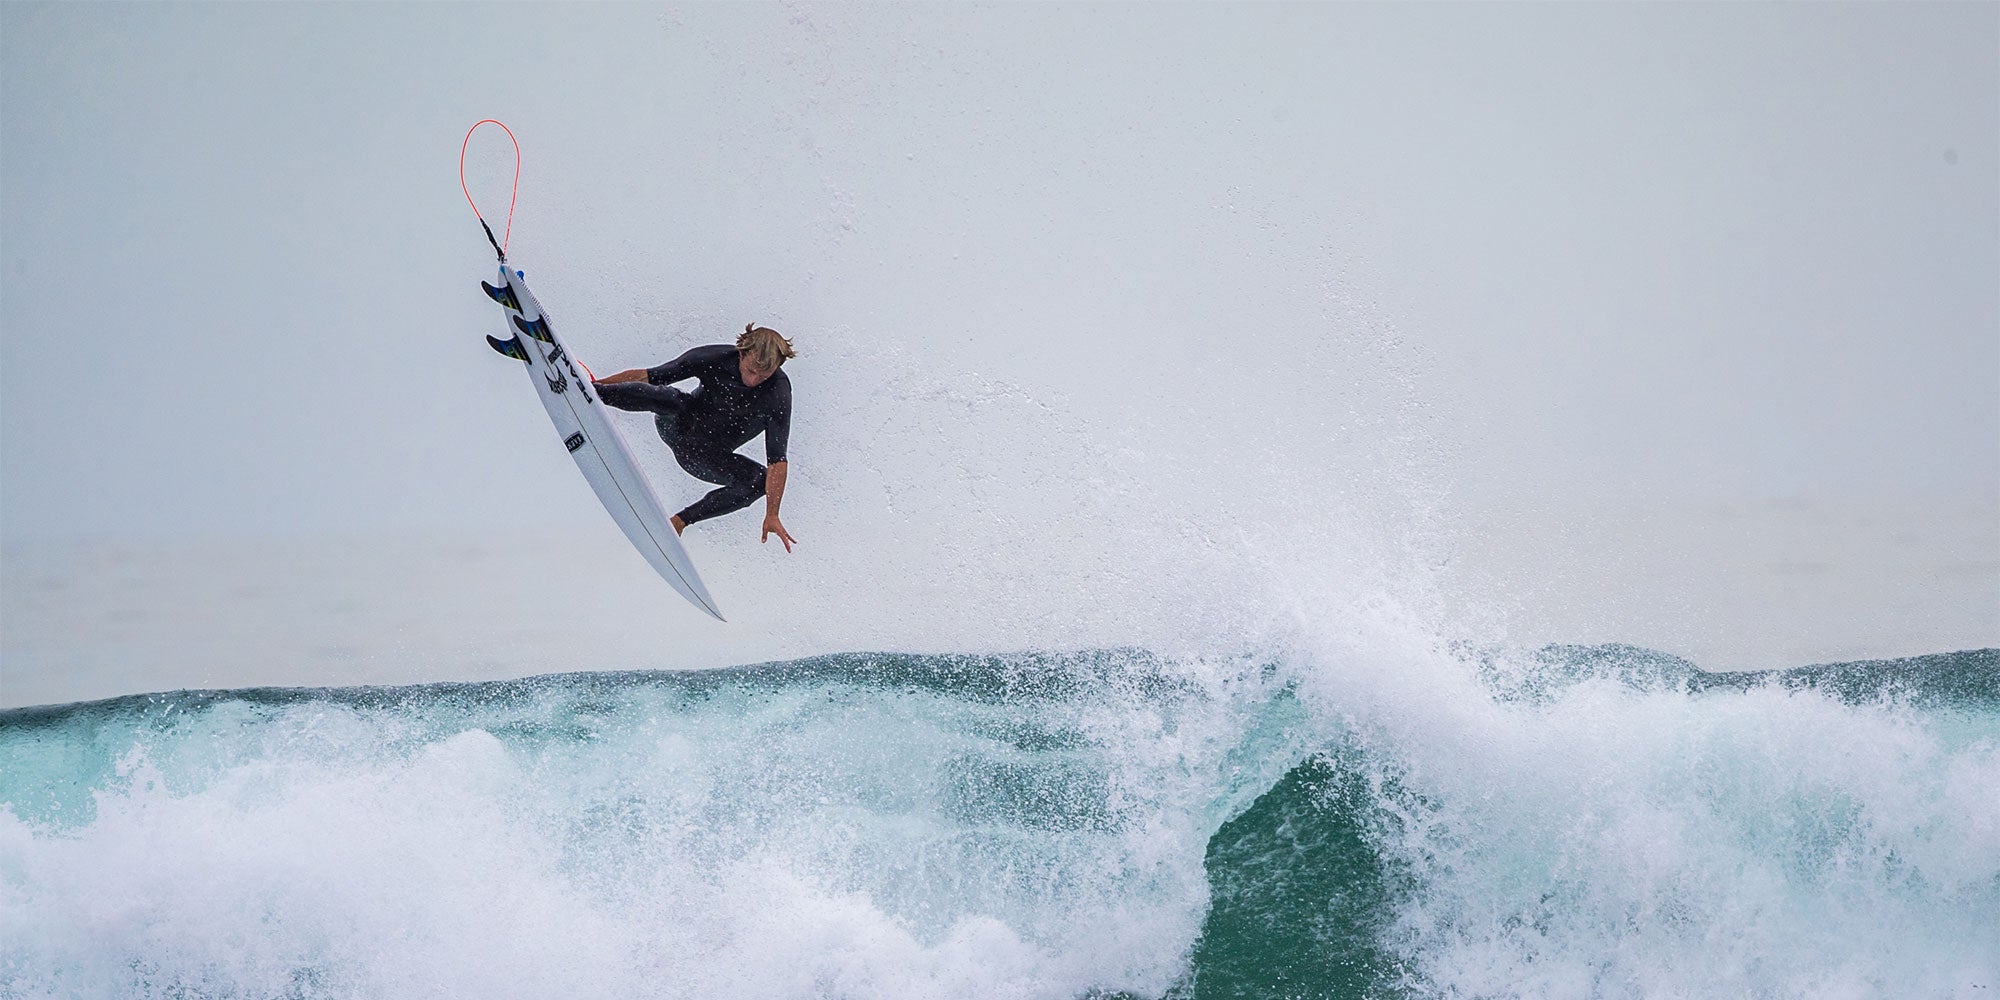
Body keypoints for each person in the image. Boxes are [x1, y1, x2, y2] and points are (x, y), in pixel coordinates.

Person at [593, 325, 797, 552]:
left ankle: (679, 521)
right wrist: (593, 385)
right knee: (671, 398)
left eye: (763, 375)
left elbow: (777, 459)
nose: (754, 379)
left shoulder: (778, 393)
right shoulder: (713, 358)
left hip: (707, 458)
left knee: (759, 481)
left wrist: (772, 514)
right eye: (750, 370)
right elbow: (648, 376)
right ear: (742, 353)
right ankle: (596, 394)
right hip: (680, 426)